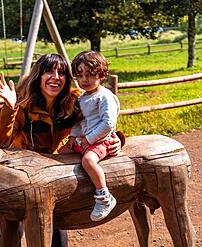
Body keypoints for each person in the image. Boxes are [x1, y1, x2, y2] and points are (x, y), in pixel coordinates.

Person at [0, 53, 122, 246]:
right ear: (38, 76)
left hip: (53, 171)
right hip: (22, 171)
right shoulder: (22, 104)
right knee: (10, 226)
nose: (56, 77)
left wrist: (117, 138)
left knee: (56, 228)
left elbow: (99, 120)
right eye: (49, 71)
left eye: (61, 72)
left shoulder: (75, 101)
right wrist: (10, 108)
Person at [59, 51, 120, 222]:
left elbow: (108, 123)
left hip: (101, 140)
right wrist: (72, 136)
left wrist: (89, 139)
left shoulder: (105, 96)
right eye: (80, 75)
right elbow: (79, 121)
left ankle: (104, 197)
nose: (84, 80)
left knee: (88, 161)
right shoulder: (82, 97)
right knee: (61, 153)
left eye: (90, 75)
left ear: (102, 75)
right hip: (84, 140)